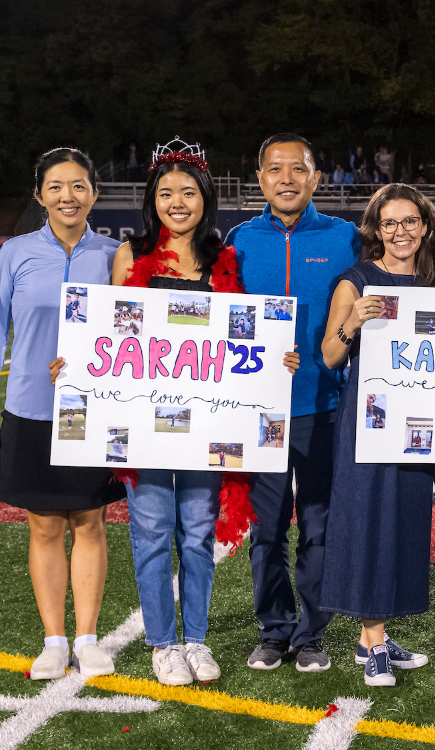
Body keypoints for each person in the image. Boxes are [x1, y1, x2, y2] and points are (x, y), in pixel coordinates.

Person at [106, 141, 299, 686]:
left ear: (205, 198)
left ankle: (195, 638)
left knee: (196, 534)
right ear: (152, 200)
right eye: (166, 193)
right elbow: (111, 336)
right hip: (146, 422)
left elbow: (240, 340)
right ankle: (162, 645)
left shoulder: (223, 261)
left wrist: (275, 358)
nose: (177, 202)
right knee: (150, 533)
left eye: (188, 192)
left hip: (205, 425)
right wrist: (75, 366)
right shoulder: (129, 257)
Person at [0, 148, 121, 681]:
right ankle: (54, 641)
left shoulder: (115, 255)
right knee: (43, 525)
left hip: (94, 409)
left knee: (90, 520)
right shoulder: (15, 253)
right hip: (32, 407)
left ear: (94, 194)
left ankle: (88, 639)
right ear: (39, 195)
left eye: (78, 185)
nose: (67, 196)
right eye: (55, 186)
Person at [227, 133, 361, 674]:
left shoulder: (345, 237)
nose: (287, 179)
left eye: (298, 169)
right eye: (276, 169)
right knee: (265, 529)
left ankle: (311, 634)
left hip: (324, 405)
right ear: (260, 178)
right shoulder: (239, 240)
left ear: (316, 178)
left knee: (318, 526)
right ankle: (273, 629)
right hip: (256, 411)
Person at [320, 184, 435, 687]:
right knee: (369, 518)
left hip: (420, 422)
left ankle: (376, 635)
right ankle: (372, 643)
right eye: (390, 223)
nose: (400, 231)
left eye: (409, 221)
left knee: (403, 520)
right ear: (376, 229)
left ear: (425, 226)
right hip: (369, 419)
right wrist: (352, 321)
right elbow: (330, 355)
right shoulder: (357, 280)